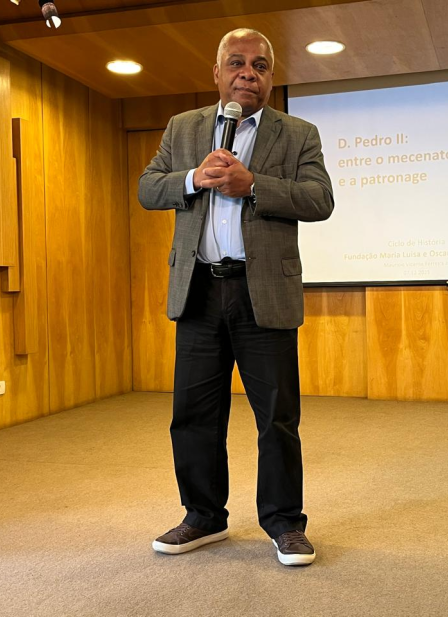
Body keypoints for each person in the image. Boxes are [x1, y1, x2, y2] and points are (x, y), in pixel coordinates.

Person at [137, 28, 334, 566]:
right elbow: (148, 187)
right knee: (193, 414)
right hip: (198, 289)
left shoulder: (298, 133)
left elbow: (320, 199)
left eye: (260, 65)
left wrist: (255, 185)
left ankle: (284, 523)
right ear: (218, 73)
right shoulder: (183, 127)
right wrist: (192, 178)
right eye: (237, 63)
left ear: (270, 77)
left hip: (262, 291)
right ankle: (203, 517)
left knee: (276, 417)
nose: (249, 73)